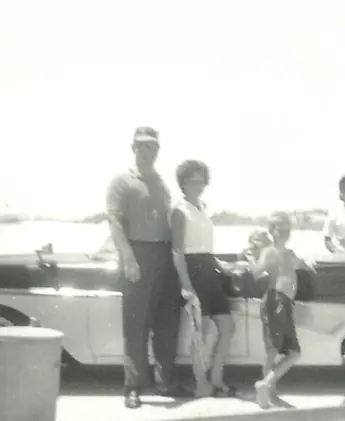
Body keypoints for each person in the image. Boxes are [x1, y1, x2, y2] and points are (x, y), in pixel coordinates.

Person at [106, 127, 190, 409]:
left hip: (164, 254)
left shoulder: (161, 183)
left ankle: (166, 381)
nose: (147, 151)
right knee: (136, 323)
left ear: (157, 151)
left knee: (167, 321)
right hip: (137, 252)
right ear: (133, 148)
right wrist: (128, 257)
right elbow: (115, 222)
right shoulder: (122, 181)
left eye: (152, 147)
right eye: (142, 146)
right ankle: (133, 386)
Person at [169, 160, 237, 398]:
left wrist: (221, 266)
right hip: (193, 272)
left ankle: (216, 379)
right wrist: (186, 285)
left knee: (227, 327)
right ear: (183, 183)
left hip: (210, 269)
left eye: (200, 181)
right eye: (191, 181)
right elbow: (177, 251)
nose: (197, 185)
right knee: (202, 332)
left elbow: (205, 247)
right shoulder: (179, 210)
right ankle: (201, 385)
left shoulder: (202, 207)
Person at [242, 212, 303, 409]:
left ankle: (268, 391)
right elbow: (257, 272)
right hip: (276, 301)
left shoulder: (289, 253)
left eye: (288, 229)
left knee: (277, 351)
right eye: (280, 229)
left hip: (283, 302)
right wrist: (250, 256)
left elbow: (299, 266)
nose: (285, 232)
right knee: (288, 352)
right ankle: (266, 386)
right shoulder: (271, 251)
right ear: (272, 231)